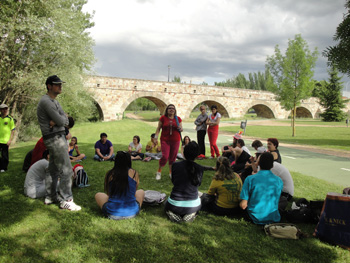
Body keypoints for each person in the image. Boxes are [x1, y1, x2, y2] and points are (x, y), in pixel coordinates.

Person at [37, 75, 81, 210]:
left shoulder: (54, 101)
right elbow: (63, 121)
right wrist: (61, 120)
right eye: (57, 84)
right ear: (49, 86)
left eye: (60, 84)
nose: (60, 86)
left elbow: (66, 119)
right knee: (66, 169)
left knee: (53, 169)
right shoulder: (46, 101)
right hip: (55, 138)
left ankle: (50, 197)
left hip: (56, 136)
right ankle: (66, 199)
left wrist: (57, 121)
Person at [165, 141, 214, 223]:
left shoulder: (175, 165)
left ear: (183, 153)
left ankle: (172, 212)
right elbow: (198, 184)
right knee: (200, 199)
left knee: (166, 202)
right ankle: (192, 213)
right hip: (193, 206)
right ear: (197, 155)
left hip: (174, 204)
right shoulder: (200, 168)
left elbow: (174, 181)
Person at [95, 151, 145, 220]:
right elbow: (134, 192)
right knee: (141, 191)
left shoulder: (110, 174)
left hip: (112, 213)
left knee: (98, 195)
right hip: (132, 213)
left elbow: (109, 194)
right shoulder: (134, 173)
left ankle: (115, 206)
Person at [239, 152, 283, 224]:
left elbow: (243, 205)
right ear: (272, 165)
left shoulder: (250, 179)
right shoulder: (279, 180)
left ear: (258, 163)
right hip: (274, 217)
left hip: (254, 217)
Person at [154, 104, 183, 180]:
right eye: (169, 108)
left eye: (173, 108)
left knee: (173, 157)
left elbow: (181, 128)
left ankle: (171, 172)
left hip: (175, 140)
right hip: (165, 140)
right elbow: (158, 128)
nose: (171, 109)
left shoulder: (178, 119)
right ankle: (159, 171)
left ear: (175, 110)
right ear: (167, 110)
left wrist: (180, 128)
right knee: (165, 156)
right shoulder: (163, 118)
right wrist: (155, 137)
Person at [0, 103, 15, 172]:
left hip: (5, 141)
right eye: (3, 109)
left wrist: (10, 140)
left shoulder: (10, 119)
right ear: (1, 110)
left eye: (6, 108)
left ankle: (4, 168)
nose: (5, 110)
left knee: (5, 155)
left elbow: (12, 130)